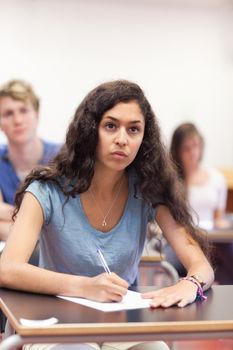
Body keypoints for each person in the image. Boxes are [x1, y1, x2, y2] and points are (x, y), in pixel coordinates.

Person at [0, 80, 214, 350]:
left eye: (133, 129)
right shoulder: (46, 190)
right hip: (56, 325)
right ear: (91, 130)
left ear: (143, 138)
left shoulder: (148, 189)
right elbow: (6, 269)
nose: (122, 139)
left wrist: (191, 283)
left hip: (120, 324)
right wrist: (86, 286)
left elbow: (201, 265)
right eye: (110, 126)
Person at [164, 122, 228, 278]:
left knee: (226, 255)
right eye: (187, 148)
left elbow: (219, 219)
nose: (193, 152)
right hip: (181, 241)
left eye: (196, 146)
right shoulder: (170, 182)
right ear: (177, 151)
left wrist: (221, 226)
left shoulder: (217, 178)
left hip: (213, 241)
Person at [0, 79, 61, 241]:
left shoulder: (64, 158)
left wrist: (9, 215)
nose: (18, 120)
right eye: (8, 113)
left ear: (37, 115)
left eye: (23, 110)